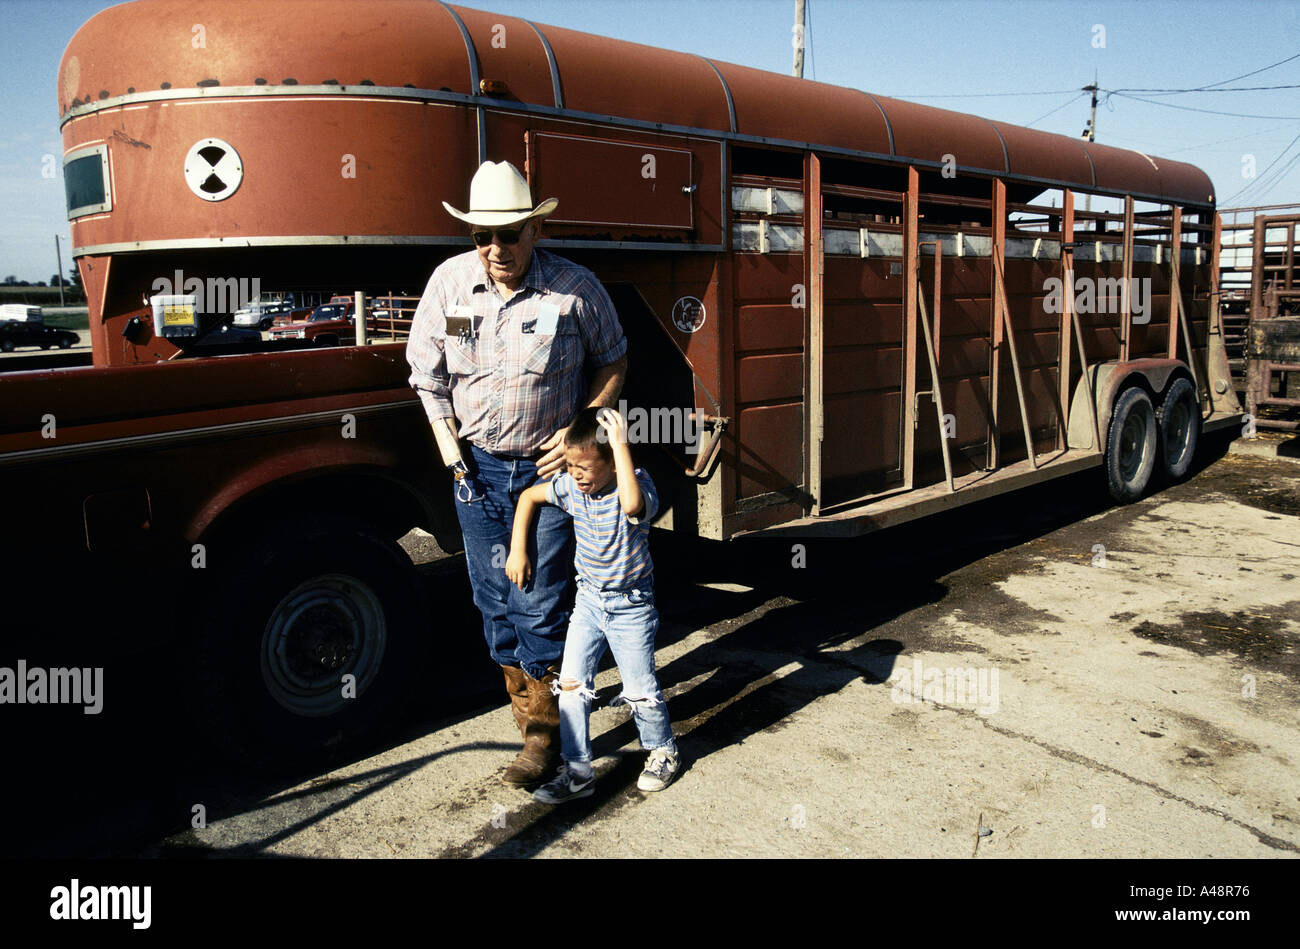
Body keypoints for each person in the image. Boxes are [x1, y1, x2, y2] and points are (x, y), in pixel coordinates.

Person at [406, 160, 628, 787]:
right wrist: (452, 456)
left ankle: (544, 741)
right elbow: (429, 376)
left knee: (537, 601)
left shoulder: (574, 290)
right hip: (472, 471)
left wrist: (583, 426)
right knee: (492, 601)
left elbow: (613, 360)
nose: (495, 248)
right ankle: (528, 715)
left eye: (509, 234)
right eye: (483, 235)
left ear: (536, 229)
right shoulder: (450, 287)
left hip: (546, 474)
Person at [505, 407, 681, 802]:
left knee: (639, 689)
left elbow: (634, 506)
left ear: (613, 462)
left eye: (584, 466)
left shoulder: (634, 484)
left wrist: (620, 444)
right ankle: (578, 771)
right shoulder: (569, 487)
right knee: (570, 687)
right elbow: (530, 497)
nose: (576, 475)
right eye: (570, 465)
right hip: (588, 601)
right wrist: (518, 549)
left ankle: (662, 750)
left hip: (631, 605)